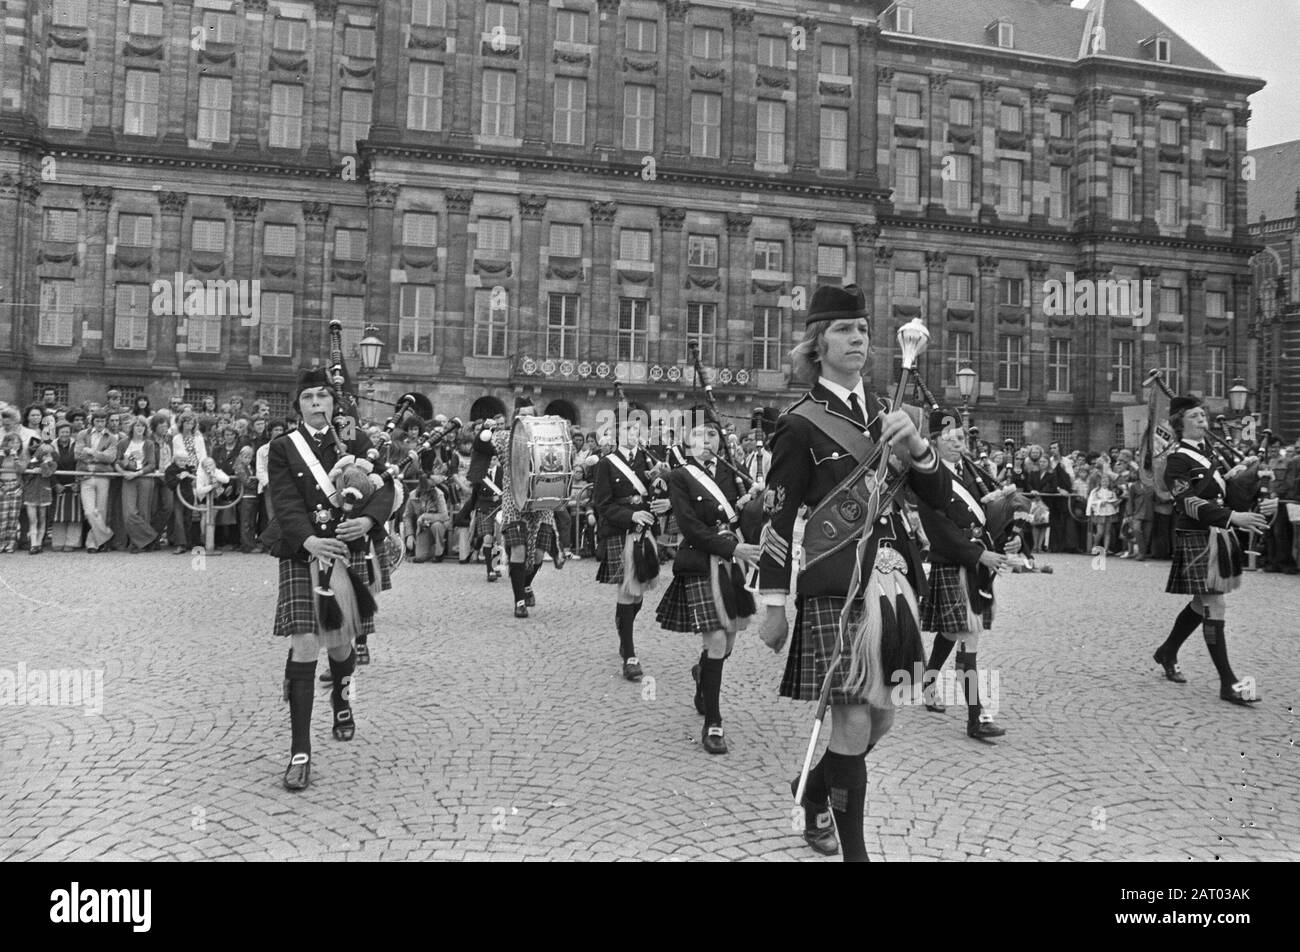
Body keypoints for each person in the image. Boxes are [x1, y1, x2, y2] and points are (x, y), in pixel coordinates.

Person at [754, 284, 951, 862]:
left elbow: (936, 496)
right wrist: (772, 604)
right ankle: (854, 853)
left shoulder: (896, 414)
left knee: (882, 721)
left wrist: (917, 445)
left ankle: (813, 789)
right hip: (835, 588)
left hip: (894, 585)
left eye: (863, 328)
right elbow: (776, 513)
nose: (859, 338)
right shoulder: (800, 424)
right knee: (854, 727)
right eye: (844, 329)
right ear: (818, 344)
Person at [263, 368, 395, 791]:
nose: (317, 403)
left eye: (323, 396)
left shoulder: (356, 442)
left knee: (339, 641)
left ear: (334, 402)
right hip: (303, 553)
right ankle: (300, 751)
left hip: (346, 549)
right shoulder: (283, 447)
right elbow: (283, 501)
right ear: (298, 404)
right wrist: (308, 542)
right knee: (304, 642)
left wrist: (368, 521)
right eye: (308, 398)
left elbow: (386, 487)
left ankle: (341, 697)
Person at [1151, 395, 1269, 706]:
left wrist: (1252, 479)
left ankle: (1167, 651)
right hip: (1196, 534)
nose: (1203, 420)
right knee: (1214, 605)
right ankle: (1228, 683)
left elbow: (1227, 493)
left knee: (1201, 602)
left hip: (1217, 533)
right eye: (1195, 416)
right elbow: (1188, 502)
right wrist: (1233, 517)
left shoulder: (1210, 452)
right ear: (1180, 424)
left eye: (1203, 415)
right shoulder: (1177, 461)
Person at [654, 415, 759, 753]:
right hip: (701, 561)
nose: (707, 439)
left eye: (712, 434)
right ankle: (713, 722)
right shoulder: (679, 477)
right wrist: (733, 547)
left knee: (727, 644)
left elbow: (747, 520)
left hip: (731, 564)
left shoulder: (732, 472)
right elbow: (689, 526)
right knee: (715, 641)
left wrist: (757, 502)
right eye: (699, 434)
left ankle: (703, 673)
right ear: (688, 443)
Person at [915, 409, 1018, 740]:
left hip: (978, 565)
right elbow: (938, 528)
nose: (958, 444)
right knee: (967, 637)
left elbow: (991, 514)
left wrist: (1013, 539)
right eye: (950, 439)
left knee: (953, 630)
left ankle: (929, 681)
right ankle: (977, 717)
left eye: (961, 438)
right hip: (954, 561)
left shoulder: (972, 474)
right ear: (934, 442)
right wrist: (979, 553)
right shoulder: (929, 478)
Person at [594, 414, 670, 682]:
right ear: (615, 434)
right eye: (626, 428)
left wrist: (664, 485)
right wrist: (630, 516)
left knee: (638, 594)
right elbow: (602, 504)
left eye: (637, 428)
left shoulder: (649, 460)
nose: (633, 432)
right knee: (627, 590)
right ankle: (630, 655)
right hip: (620, 530)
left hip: (646, 530)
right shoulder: (606, 464)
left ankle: (622, 626)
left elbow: (660, 494)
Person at [491, 398, 565, 618]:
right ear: (515, 417)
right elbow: (483, 445)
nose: (526, 419)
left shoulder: (545, 438)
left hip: (541, 502)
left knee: (539, 555)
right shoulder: (506, 437)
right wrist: (484, 432)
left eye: (530, 415)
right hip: (515, 501)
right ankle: (519, 601)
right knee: (519, 551)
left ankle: (525, 585)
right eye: (521, 415)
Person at [74, 410, 118, 553]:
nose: (100, 424)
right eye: (97, 421)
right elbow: (78, 453)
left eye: (102, 421)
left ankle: (93, 543)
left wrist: (92, 453)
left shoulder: (111, 437)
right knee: (89, 511)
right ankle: (106, 534)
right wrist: (99, 456)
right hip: (86, 476)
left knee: (101, 511)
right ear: (92, 422)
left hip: (102, 476)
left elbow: (111, 457)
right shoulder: (82, 434)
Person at [115, 416, 159, 553]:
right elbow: (116, 461)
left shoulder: (149, 444)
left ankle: (138, 544)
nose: (140, 428)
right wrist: (123, 472)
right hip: (128, 478)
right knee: (129, 513)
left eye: (142, 426)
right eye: (137, 426)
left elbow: (152, 464)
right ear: (132, 428)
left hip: (144, 478)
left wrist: (138, 473)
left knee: (143, 511)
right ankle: (151, 537)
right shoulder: (123, 443)